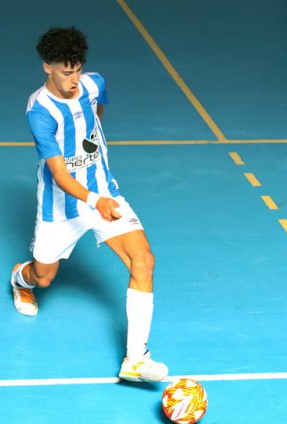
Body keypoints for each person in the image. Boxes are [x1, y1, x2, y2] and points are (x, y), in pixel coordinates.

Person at [10, 27, 168, 382]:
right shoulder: (40, 112)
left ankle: (135, 359)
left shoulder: (94, 84)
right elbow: (60, 176)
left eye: (78, 70)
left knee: (143, 261)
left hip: (103, 191)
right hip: (61, 206)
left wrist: (91, 154)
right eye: (66, 72)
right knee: (43, 277)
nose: (74, 80)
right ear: (47, 67)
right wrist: (96, 201)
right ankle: (20, 279)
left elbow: (97, 115)